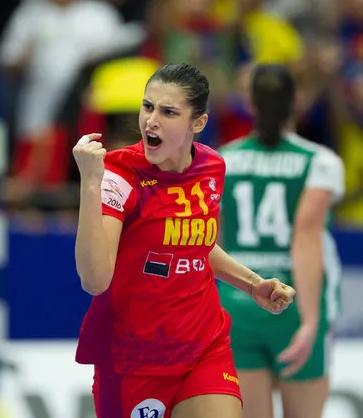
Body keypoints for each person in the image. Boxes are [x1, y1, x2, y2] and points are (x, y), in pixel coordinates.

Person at [72, 63, 296, 418]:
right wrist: (89, 184)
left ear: (198, 123)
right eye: (147, 106)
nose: (151, 120)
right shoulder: (118, 176)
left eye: (168, 111)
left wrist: (252, 284)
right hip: (133, 359)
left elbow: (196, 246)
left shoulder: (212, 168)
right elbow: (95, 280)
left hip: (203, 347)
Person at [217, 64, 345, 418]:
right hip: (294, 300)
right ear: (297, 101)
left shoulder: (223, 159)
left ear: (249, 103)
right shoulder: (320, 161)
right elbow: (305, 239)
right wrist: (310, 321)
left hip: (237, 301)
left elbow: (210, 240)